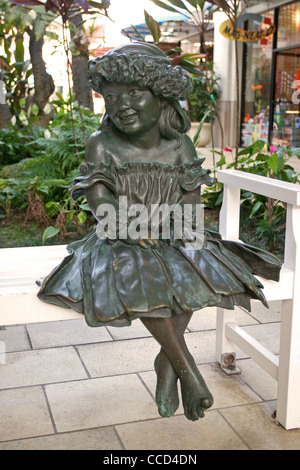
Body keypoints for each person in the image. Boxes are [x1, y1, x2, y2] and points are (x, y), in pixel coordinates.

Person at [38, 43, 281, 421]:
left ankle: (167, 363)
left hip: (172, 230)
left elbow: (190, 197)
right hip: (119, 236)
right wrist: (125, 227)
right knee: (142, 278)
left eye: (135, 93)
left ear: (163, 97)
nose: (122, 105)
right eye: (113, 97)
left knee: (196, 271)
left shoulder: (179, 144)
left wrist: (182, 230)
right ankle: (187, 370)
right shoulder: (101, 144)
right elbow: (98, 195)